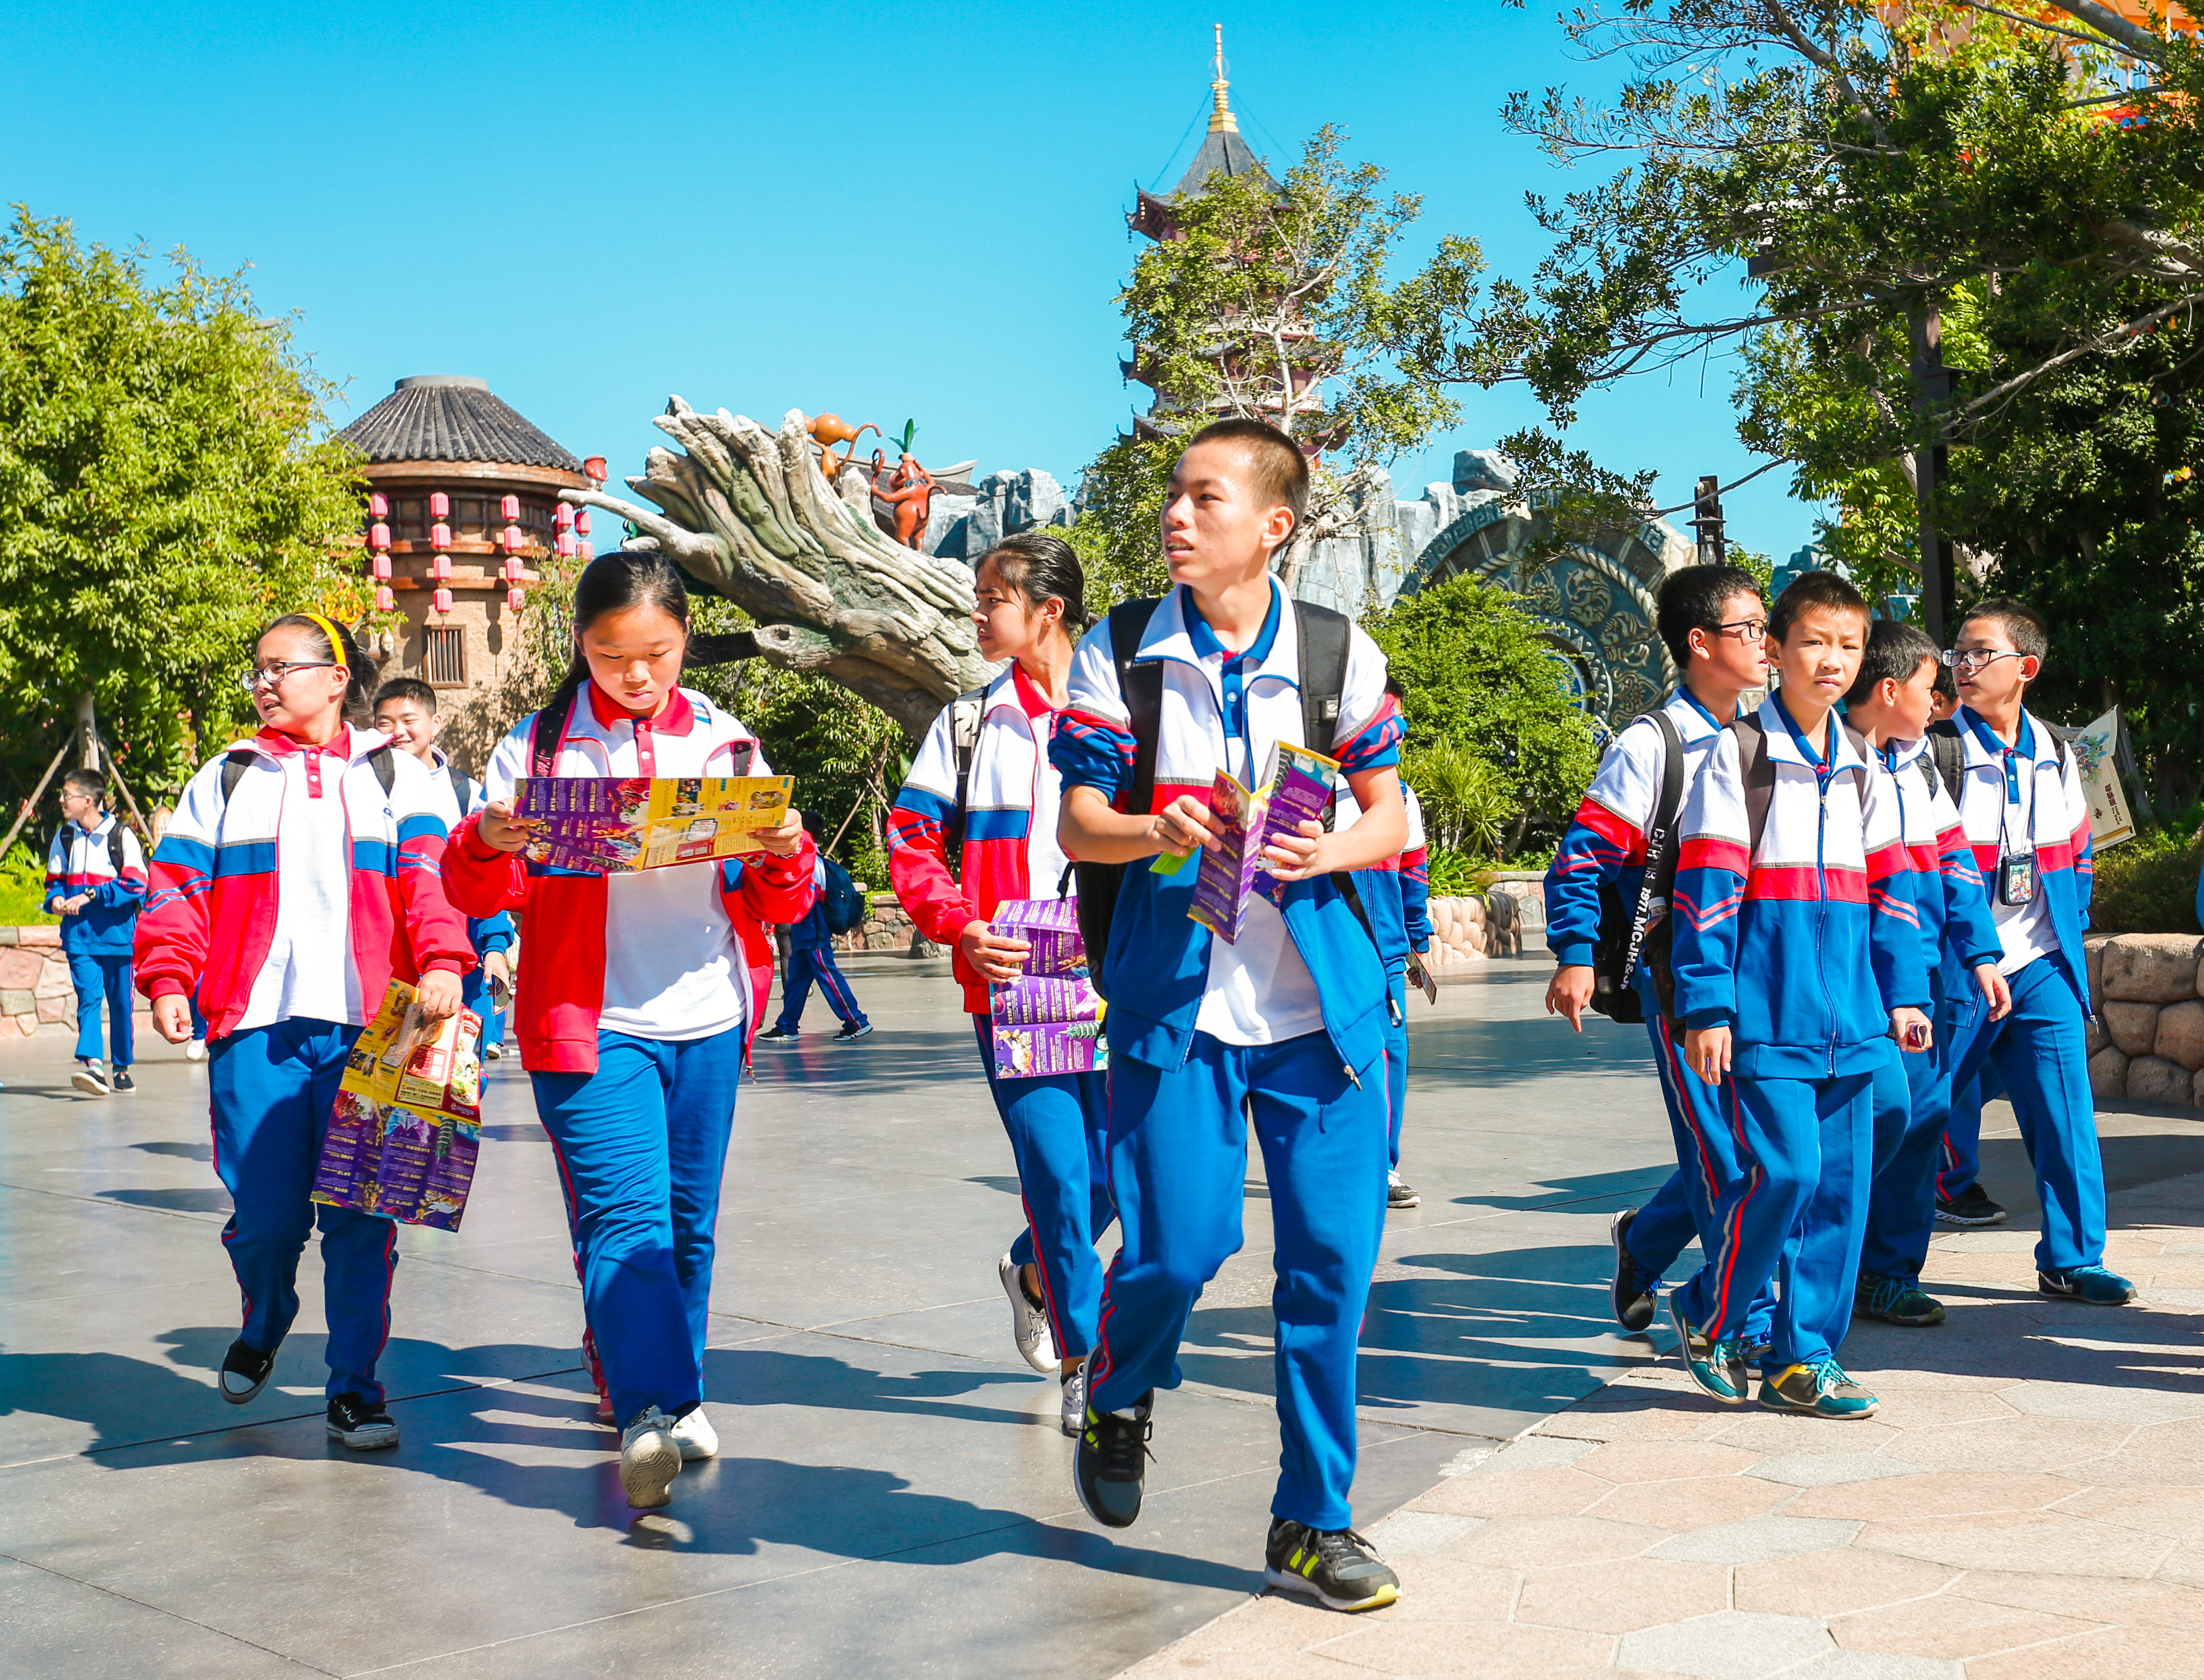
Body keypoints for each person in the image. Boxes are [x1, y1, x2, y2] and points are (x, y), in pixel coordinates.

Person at [1052, 417, 1408, 1613]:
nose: (1174, 514)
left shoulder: (1333, 650)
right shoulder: (1118, 652)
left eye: (1203, 497)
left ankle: (1312, 1521)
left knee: (1329, 1270)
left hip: (1321, 1015)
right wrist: (1156, 825)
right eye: (1171, 494)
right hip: (1177, 1003)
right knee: (1177, 1247)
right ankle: (1118, 1380)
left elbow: (1388, 816)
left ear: (1271, 524)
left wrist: (1326, 850)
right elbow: (1077, 823)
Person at [443, 550, 815, 1511]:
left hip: (709, 1016)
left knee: (690, 1226)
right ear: (582, 644)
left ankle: (662, 1382)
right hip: (586, 1020)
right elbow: (478, 890)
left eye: (656, 652)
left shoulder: (728, 743)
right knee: (625, 1217)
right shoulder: (534, 749)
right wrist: (487, 842)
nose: (637, 674)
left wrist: (786, 851)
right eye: (612, 655)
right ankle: (649, 1406)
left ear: (685, 638)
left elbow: (785, 897)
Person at [137, 612, 475, 1450]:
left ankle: (356, 1390)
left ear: (334, 676)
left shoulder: (397, 772)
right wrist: (171, 975)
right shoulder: (226, 773)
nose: (263, 682)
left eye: (280, 666)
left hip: (376, 1027)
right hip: (256, 1025)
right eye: (256, 669)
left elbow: (433, 877)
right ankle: (269, 1309)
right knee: (266, 1218)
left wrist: (442, 959)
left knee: (365, 1219)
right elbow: (178, 883)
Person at [1667, 571, 1932, 1420]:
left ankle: (1802, 1357)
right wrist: (1708, 1004)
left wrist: (1905, 992)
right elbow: (1705, 892)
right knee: (1786, 1173)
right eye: (1815, 641)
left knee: (1842, 1187)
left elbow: (1895, 894)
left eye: (1849, 645)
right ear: (1775, 651)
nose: (1832, 660)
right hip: (1766, 1015)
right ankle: (1713, 1313)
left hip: (1853, 1018)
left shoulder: (1867, 767)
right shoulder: (1737, 758)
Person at [887, 531, 1116, 1437]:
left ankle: (1032, 1271)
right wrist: (959, 925)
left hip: (1117, 974)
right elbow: (910, 840)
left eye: (992, 598)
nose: (977, 614)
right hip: (1016, 979)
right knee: (1060, 1177)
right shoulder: (966, 724)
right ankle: (1081, 1359)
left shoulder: (1125, 713)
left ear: (1047, 611)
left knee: (1123, 1181)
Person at [1543, 565, 1776, 1348]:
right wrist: (1576, 954)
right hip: (1682, 977)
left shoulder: (1772, 735)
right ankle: (1744, 1317)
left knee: (1759, 1147)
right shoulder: (1654, 745)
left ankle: (1644, 1244)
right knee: (1724, 1150)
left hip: (1770, 973)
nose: (1766, 640)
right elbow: (1582, 859)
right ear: (1700, 642)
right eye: (1749, 628)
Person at [1935, 598, 2134, 1304]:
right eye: (1957, 651)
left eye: (1979, 652)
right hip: (1956, 967)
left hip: (2041, 961)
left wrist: (2065, 934)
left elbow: (2078, 852)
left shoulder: (2056, 751)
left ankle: (2074, 1258)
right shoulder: (1934, 751)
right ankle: (1885, 1267)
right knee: (1918, 1115)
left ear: (2026, 667)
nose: (1963, 664)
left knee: (2065, 1113)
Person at [1843, 620, 2011, 1328]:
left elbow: (1958, 870)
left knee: (1921, 1118)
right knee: (1864, 1124)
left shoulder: (1915, 767)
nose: (1940, 699)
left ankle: (1884, 1271)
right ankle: (1810, 1260)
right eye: (1927, 686)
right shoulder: (1829, 764)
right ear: (1890, 689)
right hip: (1861, 983)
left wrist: (1980, 953)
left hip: (1930, 977)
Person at [373, 679, 518, 1058]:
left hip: (459, 955)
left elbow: (487, 875)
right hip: (391, 958)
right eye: (385, 722)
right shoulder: (364, 785)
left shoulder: (466, 794)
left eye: (408, 719)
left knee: (455, 1074)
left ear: (435, 723)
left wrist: (495, 946)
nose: (397, 731)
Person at [1333, 753, 1429, 1209]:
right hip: (1328, 952)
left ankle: (1382, 1168)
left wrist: (1418, 937)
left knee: (1391, 1057)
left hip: (1386, 952)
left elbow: (1414, 871)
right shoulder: (1311, 792)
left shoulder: (1401, 798)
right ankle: (1334, 1162)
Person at [45, 768, 148, 1095]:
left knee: (120, 1003)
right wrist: (57, 899)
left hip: (119, 936)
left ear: (88, 801)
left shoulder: (121, 836)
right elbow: (54, 883)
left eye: (67, 795)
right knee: (88, 999)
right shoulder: (64, 837)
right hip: (78, 936)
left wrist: (92, 895)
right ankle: (95, 1066)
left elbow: (136, 883)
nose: (61, 800)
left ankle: (121, 1066)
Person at [755, 837, 872, 1043]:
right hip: (803, 924)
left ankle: (856, 1021)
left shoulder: (810, 862)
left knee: (827, 974)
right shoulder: (810, 859)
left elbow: (809, 894)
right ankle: (787, 1026)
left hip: (812, 924)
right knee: (797, 979)